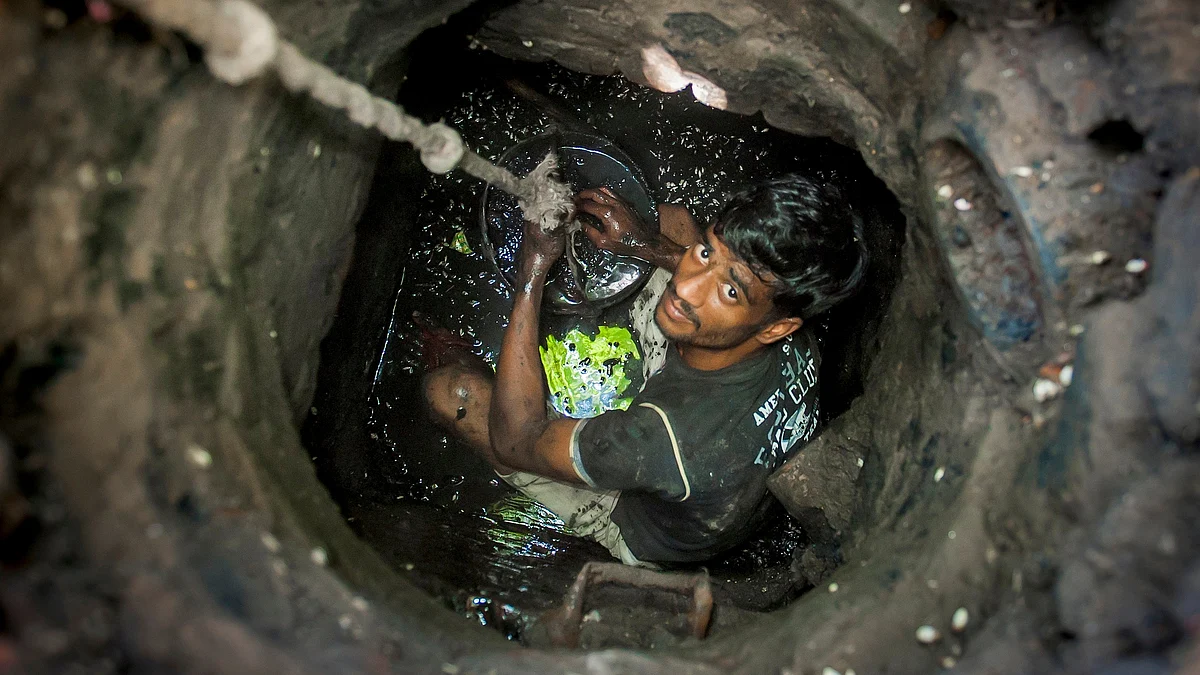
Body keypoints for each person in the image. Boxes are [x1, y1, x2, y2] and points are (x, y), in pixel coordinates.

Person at [423, 175, 868, 566]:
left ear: (777, 327)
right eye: (706, 251)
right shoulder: (793, 330)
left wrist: (532, 274)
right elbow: (705, 268)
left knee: (451, 393)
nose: (687, 287)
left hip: (644, 519)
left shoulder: (653, 441)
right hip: (727, 476)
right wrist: (642, 243)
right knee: (671, 220)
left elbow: (517, 440)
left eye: (730, 291)